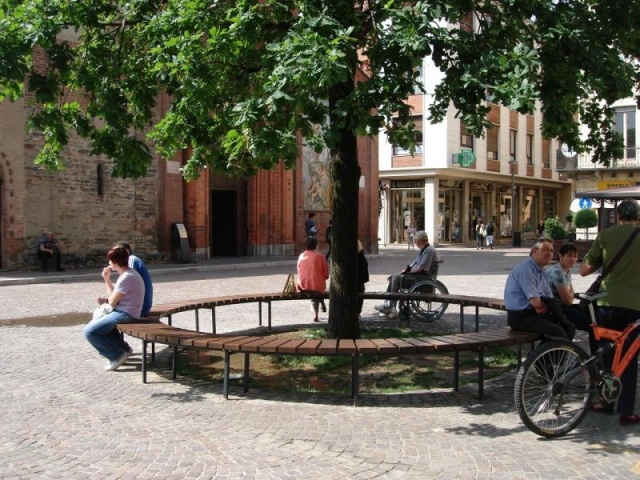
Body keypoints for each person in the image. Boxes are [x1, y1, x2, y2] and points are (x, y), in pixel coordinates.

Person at [580, 199, 640, 425]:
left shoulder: (606, 235)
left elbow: (586, 269)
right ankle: (626, 411)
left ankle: (604, 401)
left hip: (605, 303)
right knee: (629, 357)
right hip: (635, 305)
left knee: (605, 352)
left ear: (618, 215)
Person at [83, 247, 145, 371]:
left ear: (116, 262)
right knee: (103, 325)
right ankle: (125, 349)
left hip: (127, 313)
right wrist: (107, 279)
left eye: (110, 261)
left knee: (89, 331)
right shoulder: (128, 274)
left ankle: (116, 355)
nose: (109, 263)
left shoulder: (127, 277)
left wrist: (104, 301)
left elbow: (112, 301)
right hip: (125, 310)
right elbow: (114, 296)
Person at [504, 238, 574, 339]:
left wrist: (545, 307)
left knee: (569, 327)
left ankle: (549, 354)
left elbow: (549, 297)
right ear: (534, 251)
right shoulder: (526, 270)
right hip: (520, 317)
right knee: (558, 332)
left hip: (533, 314)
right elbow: (537, 304)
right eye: (545, 249)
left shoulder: (541, 271)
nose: (549, 253)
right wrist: (544, 307)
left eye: (551, 250)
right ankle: (541, 354)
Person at [545, 243, 596, 354]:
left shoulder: (566, 271)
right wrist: (570, 295)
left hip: (562, 306)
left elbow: (571, 293)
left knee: (593, 316)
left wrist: (570, 295)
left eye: (575, 256)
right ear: (561, 256)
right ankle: (594, 354)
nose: (572, 259)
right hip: (555, 309)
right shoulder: (557, 272)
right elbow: (568, 299)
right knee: (591, 324)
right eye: (569, 256)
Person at [374, 230, 437, 318]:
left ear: (419, 241)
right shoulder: (424, 250)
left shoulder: (428, 251)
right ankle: (389, 305)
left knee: (396, 278)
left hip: (421, 279)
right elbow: (413, 265)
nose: (415, 243)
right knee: (394, 277)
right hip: (418, 277)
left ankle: (390, 306)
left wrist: (406, 273)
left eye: (415, 241)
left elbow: (420, 268)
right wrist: (403, 272)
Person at [296, 236, 329, 322]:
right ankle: (316, 315)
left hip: (302, 285)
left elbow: (299, 270)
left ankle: (318, 308)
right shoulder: (320, 256)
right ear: (316, 245)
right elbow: (326, 274)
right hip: (317, 286)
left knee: (313, 289)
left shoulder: (301, 256)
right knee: (316, 287)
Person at [356, 240, 370, 317]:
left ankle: (357, 312)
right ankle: (357, 312)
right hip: (360, 281)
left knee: (359, 292)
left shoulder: (358, 257)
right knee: (360, 293)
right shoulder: (361, 256)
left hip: (357, 281)